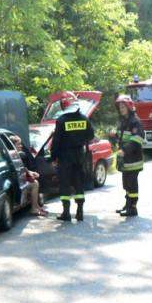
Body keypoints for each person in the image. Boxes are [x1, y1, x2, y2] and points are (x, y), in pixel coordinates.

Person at [50, 91, 94, 222]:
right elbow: (91, 135)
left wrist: (54, 157)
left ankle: (66, 213)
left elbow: (56, 141)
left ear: (64, 104)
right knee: (79, 184)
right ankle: (80, 213)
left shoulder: (61, 121)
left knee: (64, 185)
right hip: (79, 157)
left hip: (64, 158)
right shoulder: (83, 119)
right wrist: (80, 140)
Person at [109, 95, 144, 217]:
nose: (121, 109)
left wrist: (124, 150)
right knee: (126, 183)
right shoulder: (123, 122)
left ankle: (133, 208)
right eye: (120, 107)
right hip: (125, 159)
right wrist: (113, 136)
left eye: (123, 106)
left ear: (129, 106)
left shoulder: (135, 121)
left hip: (133, 159)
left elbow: (137, 139)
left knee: (131, 183)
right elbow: (120, 139)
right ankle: (128, 204)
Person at [10, 135, 46, 216]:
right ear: (13, 145)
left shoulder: (16, 154)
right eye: (19, 144)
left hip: (20, 181)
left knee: (35, 181)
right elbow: (19, 170)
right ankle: (34, 208)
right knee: (35, 184)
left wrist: (31, 173)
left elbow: (22, 169)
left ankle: (36, 207)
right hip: (18, 184)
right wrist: (31, 173)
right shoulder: (13, 155)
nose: (21, 145)